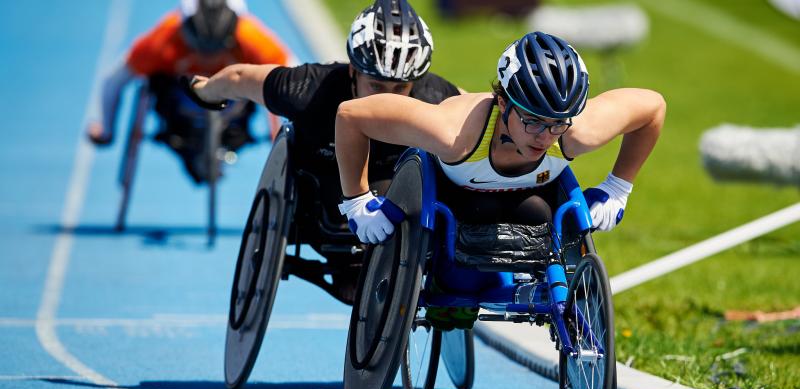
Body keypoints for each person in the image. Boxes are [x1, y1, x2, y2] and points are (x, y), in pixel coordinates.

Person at [334, 31, 666, 327]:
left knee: (541, 216)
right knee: (460, 278)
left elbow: (653, 107)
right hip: (454, 206)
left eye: (557, 123)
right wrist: (356, 200)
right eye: (533, 121)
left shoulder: (576, 132)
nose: (545, 136)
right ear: (503, 102)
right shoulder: (454, 133)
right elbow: (351, 115)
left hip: (530, 207)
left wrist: (618, 187)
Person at [188, 0, 463, 303]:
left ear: (417, 81)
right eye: (376, 86)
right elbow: (241, 78)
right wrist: (204, 90)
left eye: (400, 89)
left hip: (397, 204)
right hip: (322, 204)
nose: (389, 100)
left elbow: (479, 115)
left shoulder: (436, 97)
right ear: (352, 72)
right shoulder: (309, 88)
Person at [87, 0, 292, 183]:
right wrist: (106, 130)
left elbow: (295, 81)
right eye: (200, 49)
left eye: (217, 49)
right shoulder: (163, 38)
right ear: (184, 33)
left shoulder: (251, 37)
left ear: (233, 35)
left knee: (263, 81)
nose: (208, 60)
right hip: (178, 115)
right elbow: (114, 81)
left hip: (235, 111)